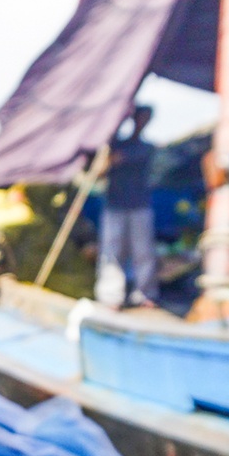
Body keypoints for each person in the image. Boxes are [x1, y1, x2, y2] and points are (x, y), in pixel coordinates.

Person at [96, 104, 159, 309]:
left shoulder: (146, 148)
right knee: (112, 252)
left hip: (139, 205)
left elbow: (116, 161)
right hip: (115, 205)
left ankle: (145, 294)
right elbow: (100, 171)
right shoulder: (115, 145)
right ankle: (111, 297)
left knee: (143, 252)